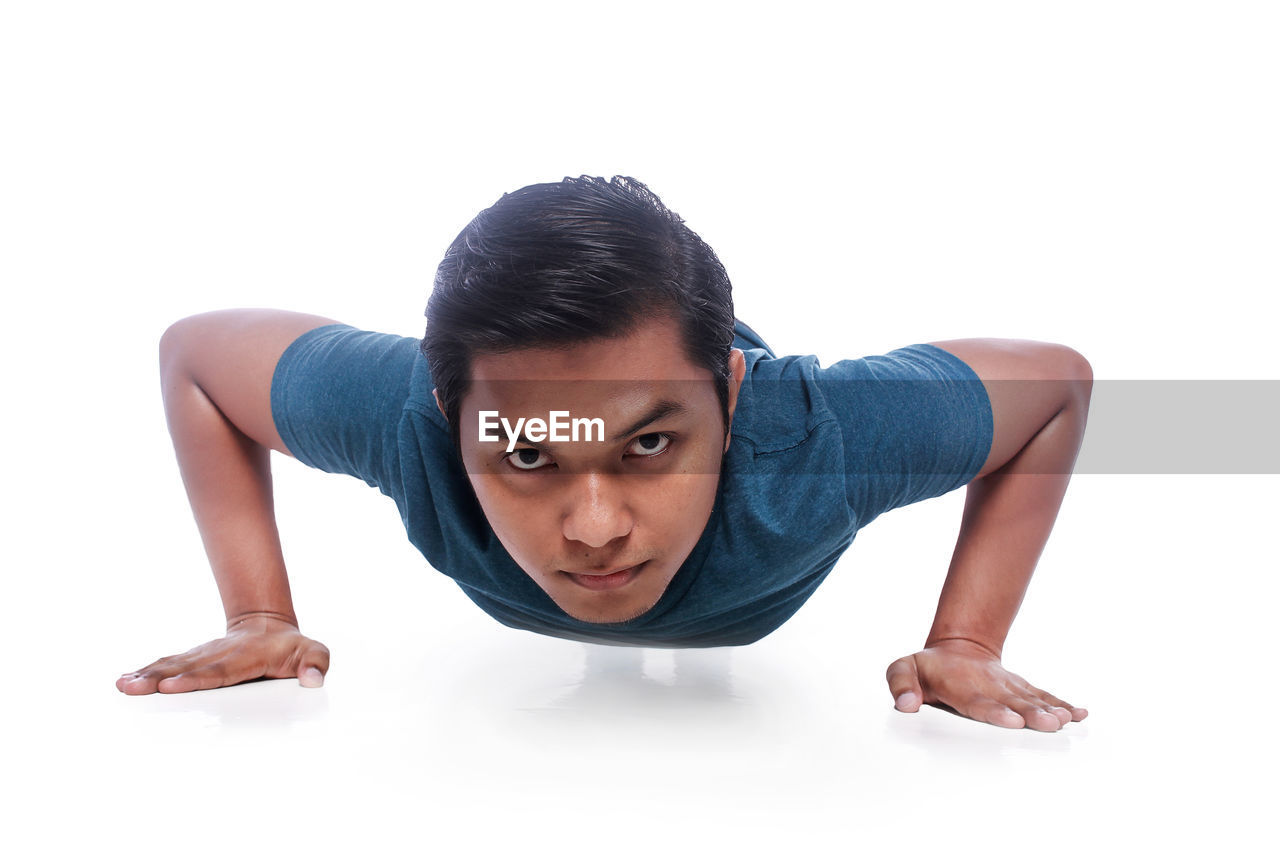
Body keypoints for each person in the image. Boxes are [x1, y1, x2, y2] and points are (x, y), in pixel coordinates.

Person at [117, 176, 1092, 733]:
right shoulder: (404, 415)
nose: (593, 528)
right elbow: (196, 356)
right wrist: (256, 615)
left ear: (732, 395)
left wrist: (965, 642)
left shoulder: (812, 437)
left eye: (648, 446)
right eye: (528, 456)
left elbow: (1052, 388)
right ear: (448, 409)